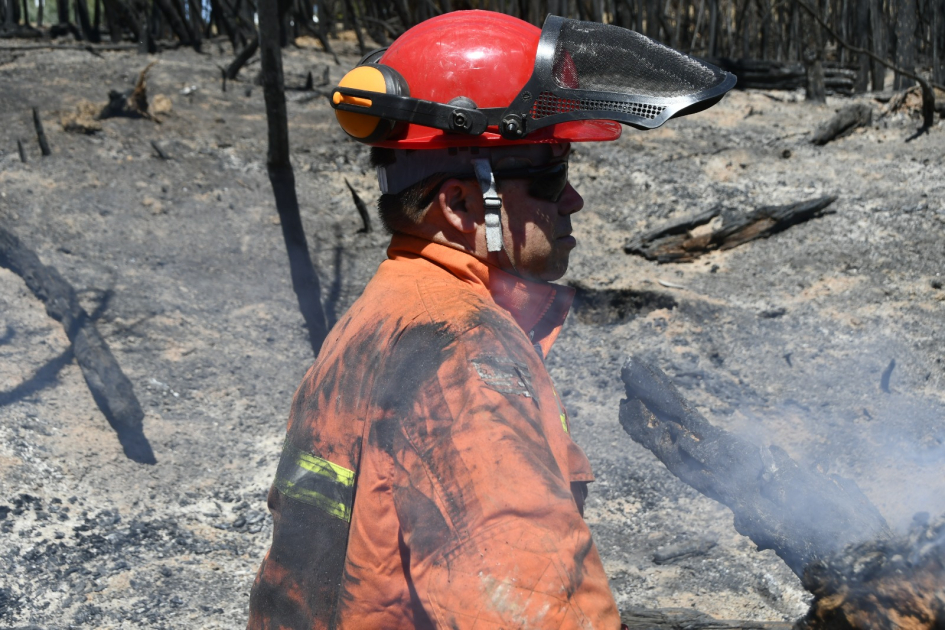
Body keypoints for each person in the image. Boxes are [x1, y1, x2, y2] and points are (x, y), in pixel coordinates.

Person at [248, 10, 734, 629]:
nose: (572, 199)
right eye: (550, 176)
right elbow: (529, 610)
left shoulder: (384, 312)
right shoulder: (463, 363)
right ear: (458, 205)